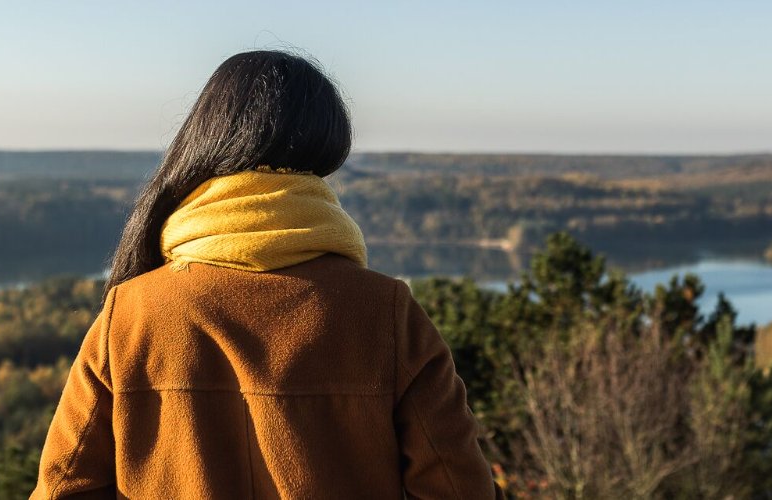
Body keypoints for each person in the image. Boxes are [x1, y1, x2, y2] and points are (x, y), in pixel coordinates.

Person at [31, 50, 495, 499]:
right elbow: (457, 488)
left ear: (205, 140)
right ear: (325, 152)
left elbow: (64, 487)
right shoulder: (387, 313)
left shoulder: (132, 313)